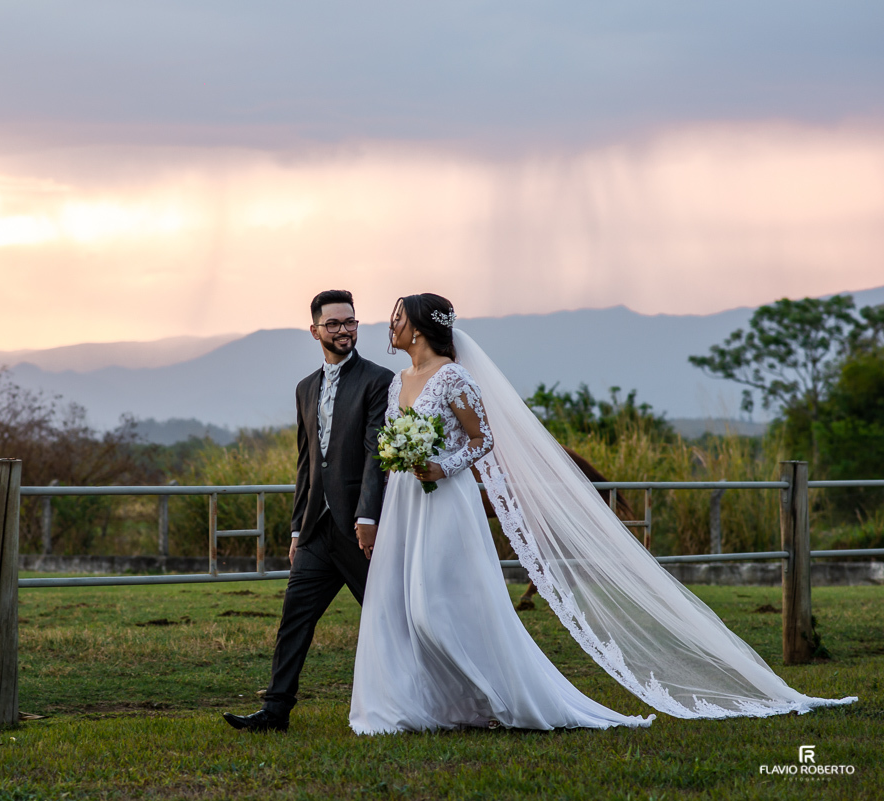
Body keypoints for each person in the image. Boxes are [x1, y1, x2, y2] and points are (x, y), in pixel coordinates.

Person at [350, 294, 856, 734]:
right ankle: (432, 705)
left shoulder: (454, 377)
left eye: (396, 317)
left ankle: (501, 698)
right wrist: (402, 460)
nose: (389, 325)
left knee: (434, 606)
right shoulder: (399, 382)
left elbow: (483, 440)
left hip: (446, 502)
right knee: (402, 604)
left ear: (416, 326)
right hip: (406, 501)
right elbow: (393, 439)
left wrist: (443, 466)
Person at [223, 290, 394, 733]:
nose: (344, 330)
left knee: (390, 616)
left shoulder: (380, 380)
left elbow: (377, 455)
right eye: (334, 323)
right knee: (294, 618)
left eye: (350, 322)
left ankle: (415, 700)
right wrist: (298, 529)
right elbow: (306, 463)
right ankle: (275, 711)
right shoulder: (305, 387)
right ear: (315, 330)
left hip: (361, 528)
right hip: (317, 530)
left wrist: (368, 519)